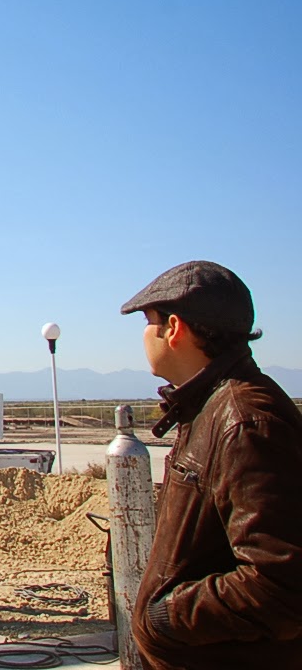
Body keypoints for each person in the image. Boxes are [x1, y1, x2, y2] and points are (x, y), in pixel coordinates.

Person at [119, 260, 302, 670]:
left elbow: (280, 585)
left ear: (174, 328)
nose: (145, 335)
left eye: (149, 322)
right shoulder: (211, 406)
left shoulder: (244, 420)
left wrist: (164, 618)